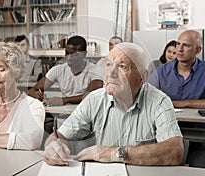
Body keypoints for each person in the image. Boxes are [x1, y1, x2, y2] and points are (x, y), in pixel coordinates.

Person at [43, 43, 183, 166]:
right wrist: (54, 147)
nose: (111, 73)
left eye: (122, 66)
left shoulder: (159, 101)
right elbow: (60, 135)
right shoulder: (94, 99)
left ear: (143, 76)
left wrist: (114, 153)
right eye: (109, 65)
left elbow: (175, 151)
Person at [147, 30, 205, 168]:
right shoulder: (162, 71)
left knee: (203, 165)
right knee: (160, 165)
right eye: (178, 44)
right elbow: (146, 98)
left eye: (185, 45)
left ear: (198, 50)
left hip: (202, 130)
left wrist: (186, 103)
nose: (179, 49)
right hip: (166, 128)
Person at [28, 35, 104, 106]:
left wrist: (64, 100)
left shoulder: (95, 70)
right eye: (67, 53)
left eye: (75, 54)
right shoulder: (58, 69)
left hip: (87, 113)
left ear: (84, 54)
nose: (69, 57)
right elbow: (32, 90)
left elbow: (92, 95)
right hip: (65, 113)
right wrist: (36, 95)